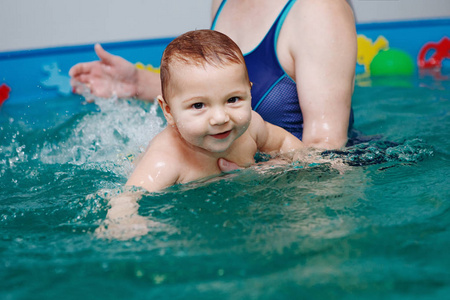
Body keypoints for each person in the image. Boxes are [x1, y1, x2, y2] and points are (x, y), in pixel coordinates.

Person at [69, 0, 357, 155]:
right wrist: (137, 83)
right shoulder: (224, 2)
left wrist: (253, 173)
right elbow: (214, 87)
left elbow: (326, 150)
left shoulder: (320, 8)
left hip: (302, 189)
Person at [126, 29, 304, 192]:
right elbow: (127, 200)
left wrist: (272, 168)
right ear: (168, 112)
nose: (220, 118)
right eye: (198, 105)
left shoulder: (251, 128)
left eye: (232, 100)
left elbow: (285, 144)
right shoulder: (165, 160)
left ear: (249, 94)